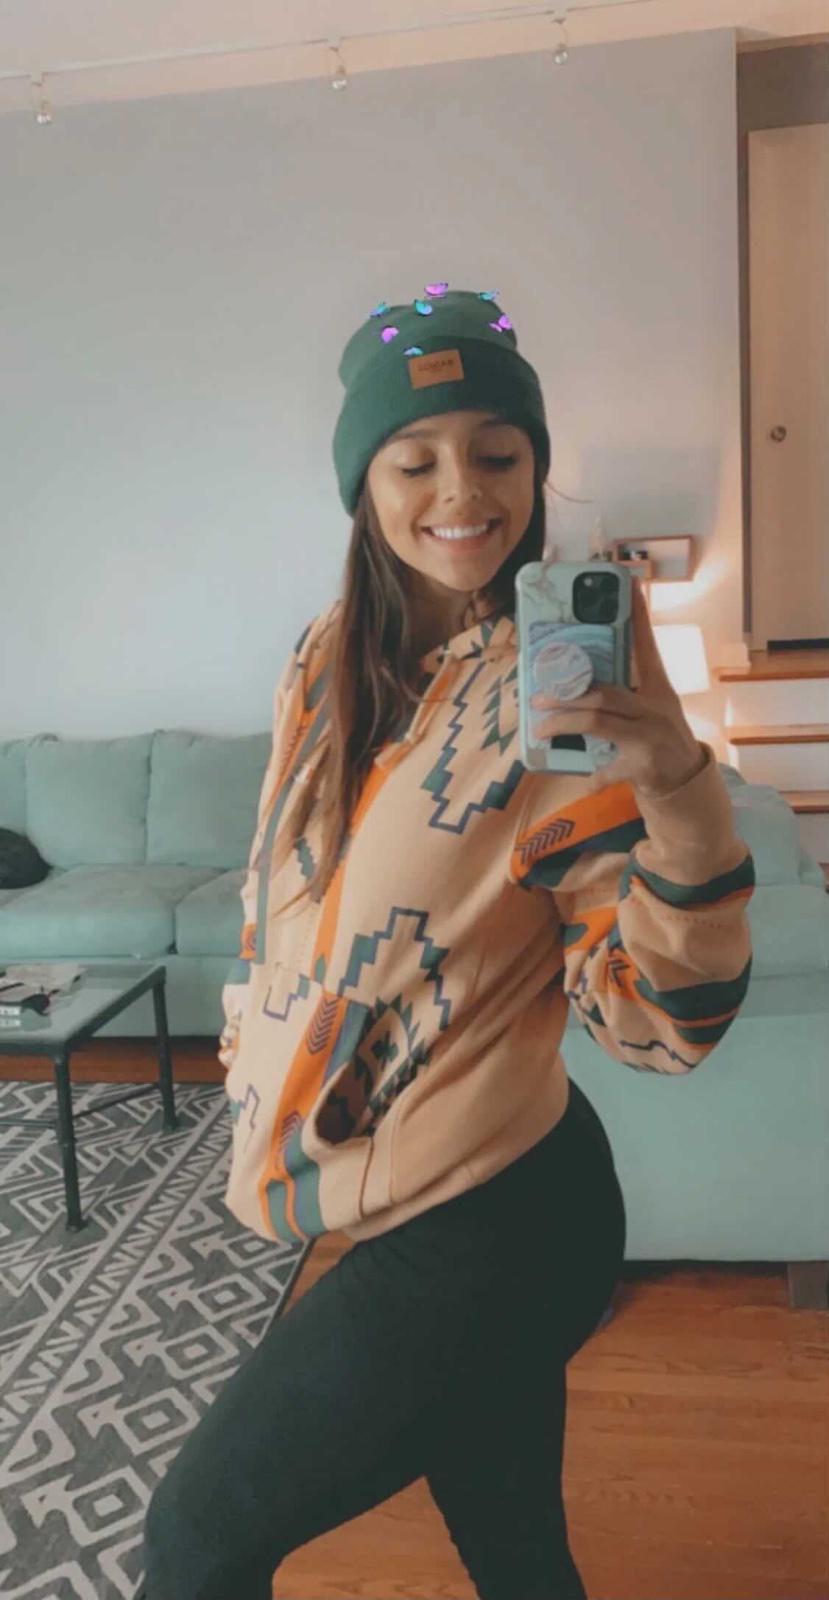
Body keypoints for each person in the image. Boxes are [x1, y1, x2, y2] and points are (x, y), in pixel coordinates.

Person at [141, 285, 755, 1600]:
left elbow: (655, 1021)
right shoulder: (322, 662)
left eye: (498, 452)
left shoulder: (565, 705)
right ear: (363, 487)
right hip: (410, 1200)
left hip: (494, 1225)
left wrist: (676, 784)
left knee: (193, 1543)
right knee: (515, 1550)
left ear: (535, 468)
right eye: (414, 460)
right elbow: (283, 905)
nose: (462, 491)